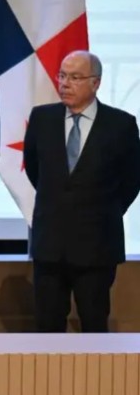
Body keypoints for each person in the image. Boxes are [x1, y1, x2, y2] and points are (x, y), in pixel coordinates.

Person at [23, 50, 140, 332]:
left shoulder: (121, 125)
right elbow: (35, 170)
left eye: (75, 77)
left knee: (94, 324)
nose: (65, 83)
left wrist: (103, 210)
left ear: (95, 83)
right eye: (62, 75)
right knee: (47, 327)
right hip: (50, 244)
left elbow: (132, 179)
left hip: (97, 244)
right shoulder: (42, 119)